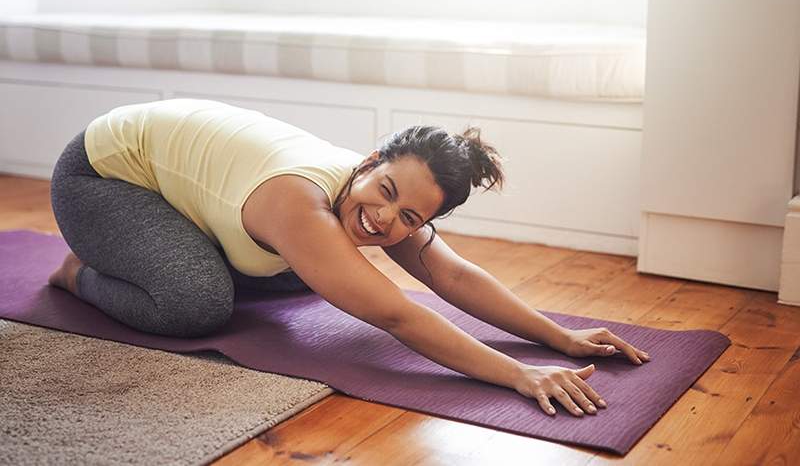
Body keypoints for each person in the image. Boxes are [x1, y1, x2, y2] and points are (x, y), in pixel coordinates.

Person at [48, 98, 649, 418]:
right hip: (102, 177)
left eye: (410, 218)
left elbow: (450, 273)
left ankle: (177, 255)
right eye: (384, 192)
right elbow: (396, 315)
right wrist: (518, 373)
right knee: (195, 303)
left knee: (316, 275)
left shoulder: (387, 200)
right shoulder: (298, 199)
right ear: (366, 163)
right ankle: (82, 272)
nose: (386, 219)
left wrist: (556, 336)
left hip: (193, 200)